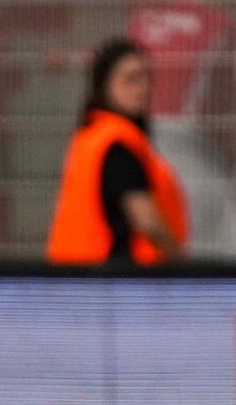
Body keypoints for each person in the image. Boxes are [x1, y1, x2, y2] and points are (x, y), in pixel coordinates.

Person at [45, 37, 189, 265]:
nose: (143, 88)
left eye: (147, 77)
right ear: (104, 84)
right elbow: (145, 218)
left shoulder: (91, 136)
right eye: (131, 79)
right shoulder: (118, 143)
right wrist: (178, 259)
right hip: (116, 276)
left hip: (77, 275)